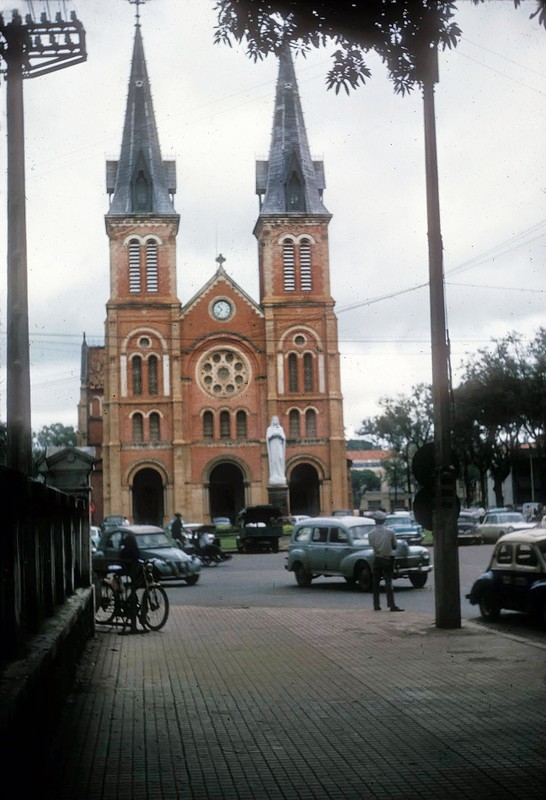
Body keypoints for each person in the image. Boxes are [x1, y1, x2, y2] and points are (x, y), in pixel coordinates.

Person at [368, 510, 403, 612]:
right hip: (387, 558)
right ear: (384, 520)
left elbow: (372, 546)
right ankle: (391, 605)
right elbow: (395, 546)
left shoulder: (371, 534)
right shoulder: (390, 532)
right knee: (388, 582)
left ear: (375, 521)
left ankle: (376, 605)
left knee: (376, 583)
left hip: (377, 558)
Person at [119, 530, 142, 633]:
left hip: (128, 572)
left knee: (134, 587)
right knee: (134, 586)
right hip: (130, 572)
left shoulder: (125, 551)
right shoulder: (134, 550)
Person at [266, 415, 287, 485]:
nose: (275, 421)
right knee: (274, 460)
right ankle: (274, 474)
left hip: (279, 445)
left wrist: (280, 436)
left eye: (276, 419)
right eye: (274, 419)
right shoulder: (269, 428)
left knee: (280, 458)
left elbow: (284, 437)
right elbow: (268, 437)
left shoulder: (280, 428)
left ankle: (280, 474)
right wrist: (273, 435)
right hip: (273, 445)